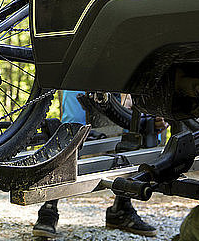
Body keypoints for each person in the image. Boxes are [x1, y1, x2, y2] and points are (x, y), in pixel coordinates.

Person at [33, 90, 164, 238]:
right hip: (83, 75)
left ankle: (121, 208)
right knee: (71, 128)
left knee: (143, 126)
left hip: (126, 80)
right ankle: (49, 208)